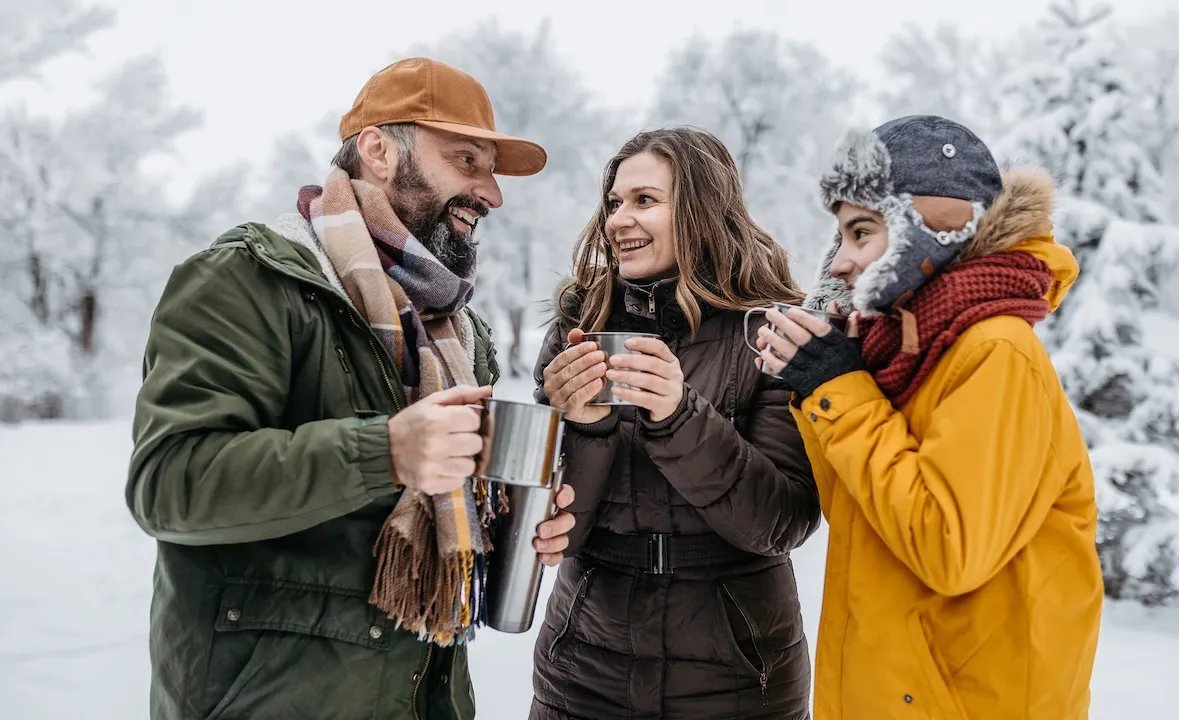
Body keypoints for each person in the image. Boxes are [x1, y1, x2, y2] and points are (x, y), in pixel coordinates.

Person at [126, 57, 576, 720]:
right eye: (467, 160)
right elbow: (169, 485)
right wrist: (386, 452)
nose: (492, 194)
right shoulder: (248, 281)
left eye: (492, 170)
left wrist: (510, 516)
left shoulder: (458, 332)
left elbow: (430, 512)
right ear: (378, 151)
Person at [756, 115, 1103, 719]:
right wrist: (822, 385)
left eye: (860, 234)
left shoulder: (994, 350)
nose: (838, 264)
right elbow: (863, 518)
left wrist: (840, 391)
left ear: (931, 230)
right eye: (838, 238)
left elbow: (948, 548)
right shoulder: (908, 355)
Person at [526, 127, 821, 720]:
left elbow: (781, 521)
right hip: (586, 669)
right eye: (613, 202)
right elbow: (554, 532)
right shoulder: (578, 327)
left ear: (701, 211)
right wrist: (582, 426)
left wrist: (679, 416)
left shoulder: (771, 334)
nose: (618, 219)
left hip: (737, 676)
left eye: (644, 200)